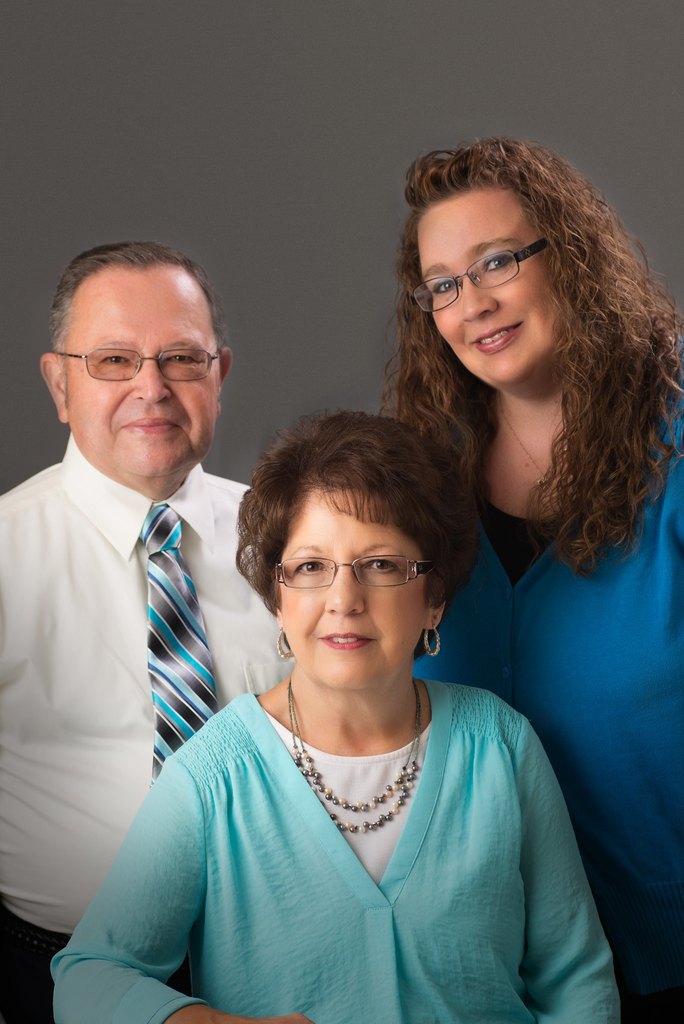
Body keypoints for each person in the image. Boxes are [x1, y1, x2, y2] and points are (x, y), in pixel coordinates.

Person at [52, 410, 619, 1023]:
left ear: (433, 598)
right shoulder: (212, 778)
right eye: (311, 567)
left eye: (381, 565)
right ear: (277, 598)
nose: (343, 601)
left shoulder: (502, 746)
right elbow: (87, 977)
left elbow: (578, 980)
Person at [383, 137, 684, 1021]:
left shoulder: (676, 440)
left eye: (497, 262)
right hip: (489, 967)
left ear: (571, 256)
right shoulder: (417, 479)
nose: (473, 303)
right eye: (443, 284)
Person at [0, 241, 286, 1023]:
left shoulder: (294, 541)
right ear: (59, 383)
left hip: (280, 963)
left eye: (181, 359)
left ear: (219, 376)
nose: (151, 388)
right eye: (114, 360)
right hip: (57, 978)